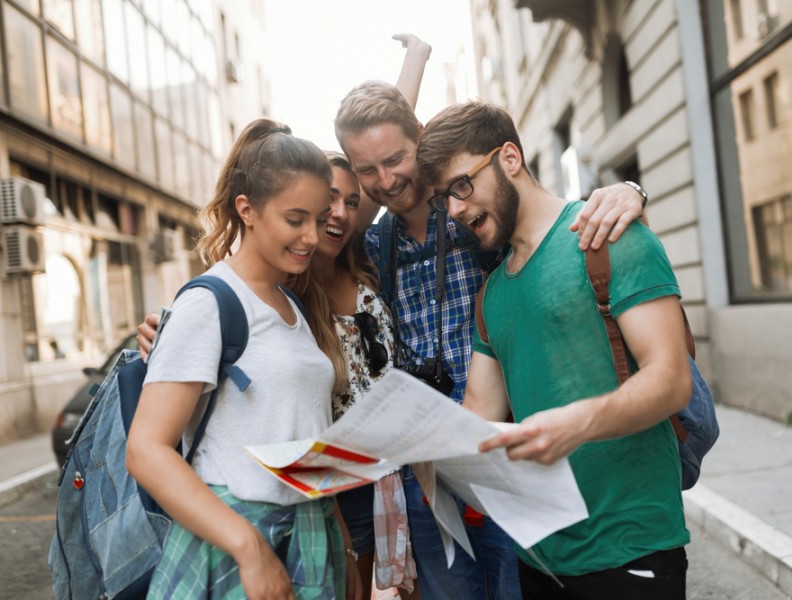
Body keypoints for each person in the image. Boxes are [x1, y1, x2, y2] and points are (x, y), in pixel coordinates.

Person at [333, 77, 647, 597]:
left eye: (396, 160)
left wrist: (626, 192)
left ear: (422, 137)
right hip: (431, 474)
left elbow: (553, 223)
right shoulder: (373, 242)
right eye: (367, 169)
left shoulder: (472, 206)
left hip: (512, 457)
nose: (385, 180)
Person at [416, 100, 692, 599]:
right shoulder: (491, 294)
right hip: (538, 560)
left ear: (510, 159)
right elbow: (478, 412)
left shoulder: (608, 237)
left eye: (461, 185)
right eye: (444, 198)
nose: (454, 209)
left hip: (631, 549)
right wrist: (408, 443)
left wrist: (576, 422)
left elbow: (671, 380)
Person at [126, 119, 358, 599]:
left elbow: (299, 433)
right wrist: (248, 548)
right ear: (247, 210)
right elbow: (146, 451)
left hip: (312, 535)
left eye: (318, 219)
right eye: (295, 219)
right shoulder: (208, 303)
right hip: (236, 541)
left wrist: (344, 546)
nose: (312, 236)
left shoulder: (291, 302)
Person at [286, 151, 417, 599]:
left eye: (352, 202)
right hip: (342, 494)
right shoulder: (285, 296)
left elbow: (387, 130)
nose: (340, 211)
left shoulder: (368, 264)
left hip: (402, 477)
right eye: (329, 198)